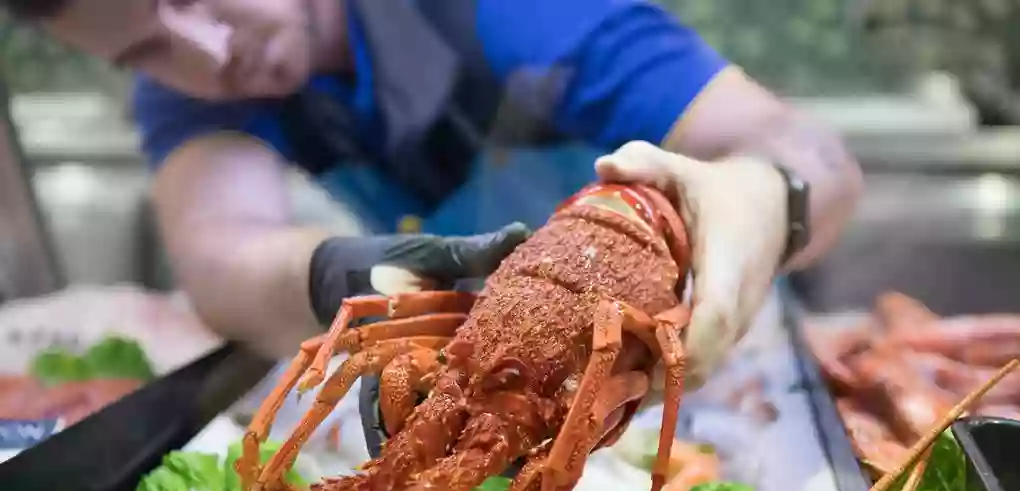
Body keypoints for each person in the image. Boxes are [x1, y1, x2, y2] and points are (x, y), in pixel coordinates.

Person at [6, 0, 862, 393]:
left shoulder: (511, 11)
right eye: (146, 49)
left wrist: (761, 195)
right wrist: (362, 274)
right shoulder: (199, 87)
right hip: (509, 363)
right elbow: (222, 254)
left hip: (713, 365)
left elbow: (816, 157)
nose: (205, 52)